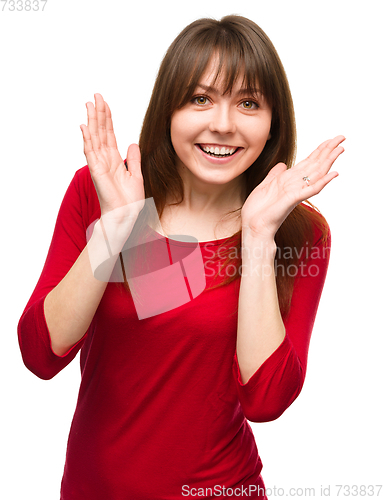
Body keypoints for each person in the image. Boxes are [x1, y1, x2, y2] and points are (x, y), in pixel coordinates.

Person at [17, 15, 344, 500]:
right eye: (200, 98)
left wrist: (256, 237)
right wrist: (115, 229)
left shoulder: (298, 231)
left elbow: (266, 400)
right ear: (168, 108)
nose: (223, 124)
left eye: (249, 102)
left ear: (273, 118)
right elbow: (41, 355)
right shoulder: (102, 192)